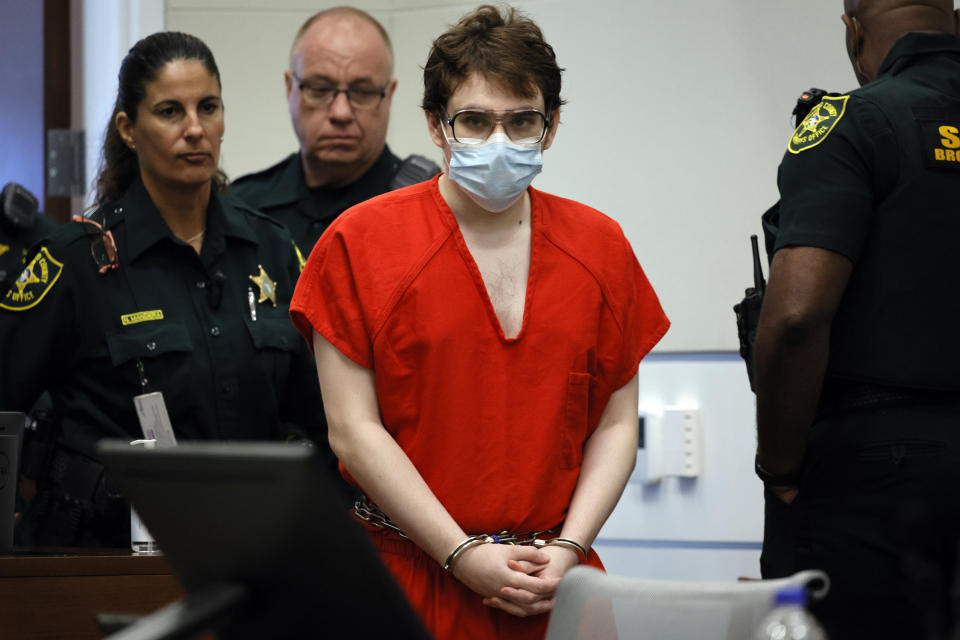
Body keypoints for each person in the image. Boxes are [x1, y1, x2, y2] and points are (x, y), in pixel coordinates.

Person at [289, 5, 669, 638]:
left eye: (523, 121)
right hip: (406, 576)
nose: (500, 141)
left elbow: (616, 421)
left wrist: (571, 549)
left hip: (557, 583)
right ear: (438, 127)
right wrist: (459, 553)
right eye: (474, 120)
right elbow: (352, 430)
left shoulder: (599, 247)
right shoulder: (361, 243)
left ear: (550, 128)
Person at [0, 31, 328, 547]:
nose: (196, 130)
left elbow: (323, 415)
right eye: (171, 111)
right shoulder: (76, 260)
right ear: (129, 129)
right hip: (103, 556)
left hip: (254, 548)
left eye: (209, 107)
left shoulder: (270, 247)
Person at [754, 1, 960, 637]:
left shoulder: (852, 121)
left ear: (854, 29)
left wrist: (782, 470)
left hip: (878, 472)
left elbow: (796, 317)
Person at [230, 6, 439, 255]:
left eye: (363, 92)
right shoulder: (242, 209)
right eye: (319, 89)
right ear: (290, 89)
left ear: (389, 96)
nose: (341, 113)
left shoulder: (428, 209)